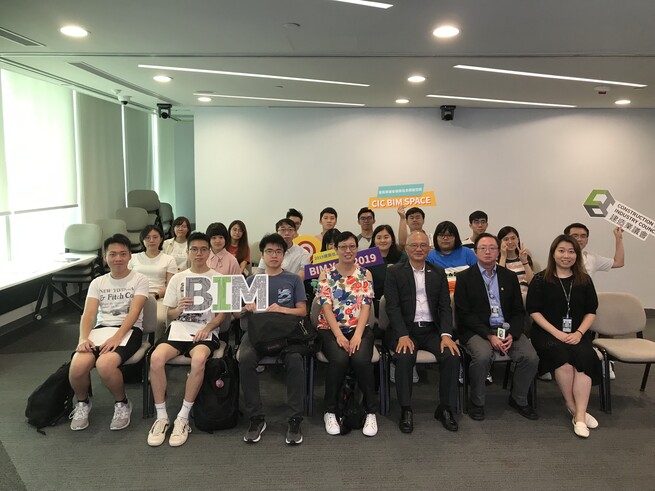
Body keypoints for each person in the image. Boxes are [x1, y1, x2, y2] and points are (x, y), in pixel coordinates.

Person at [147, 232, 227, 447]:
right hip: (178, 330)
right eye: (194, 249)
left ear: (209, 252)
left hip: (205, 331)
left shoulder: (218, 278)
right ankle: (161, 416)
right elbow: (168, 315)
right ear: (188, 252)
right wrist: (178, 309)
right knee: (155, 359)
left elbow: (222, 315)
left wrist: (209, 327)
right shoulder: (178, 278)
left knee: (199, 359)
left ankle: (183, 416)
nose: (199, 253)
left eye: (203, 249)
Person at [68, 234, 149, 431]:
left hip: (129, 331)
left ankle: (122, 403)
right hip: (101, 330)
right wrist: (83, 338)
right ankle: (82, 403)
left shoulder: (140, 279)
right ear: (105, 257)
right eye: (113, 254)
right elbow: (88, 314)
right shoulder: (98, 282)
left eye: (123, 254)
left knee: (105, 365)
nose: (118, 258)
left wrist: (117, 337)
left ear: (130, 255)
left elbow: (134, 313)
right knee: (77, 366)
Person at [454, 233, 539, 421]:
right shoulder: (465, 278)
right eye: (482, 248)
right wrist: (489, 336)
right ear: (475, 252)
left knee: (531, 358)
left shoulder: (509, 277)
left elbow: (518, 310)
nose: (487, 252)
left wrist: (513, 334)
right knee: (483, 356)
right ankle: (477, 402)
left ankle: (519, 398)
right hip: (478, 330)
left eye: (492, 248)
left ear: (498, 250)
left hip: (506, 329)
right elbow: (464, 314)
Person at [384, 230, 461, 433]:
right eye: (414, 245)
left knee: (452, 355)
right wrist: (402, 335)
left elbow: (445, 306)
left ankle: (445, 408)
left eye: (423, 245)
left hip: (431, 330)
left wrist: (446, 335)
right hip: (404, 330)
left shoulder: (437, 272)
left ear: (429, 248)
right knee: (404, 356)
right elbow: (392, 307)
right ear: (406, 248)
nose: (419, 249)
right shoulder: (394, 272)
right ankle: (406, 408)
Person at [527, 234, 601, 438]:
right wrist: (557, 333)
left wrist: (578, 333)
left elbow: (591, 311)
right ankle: (573, 407)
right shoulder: (541, 279)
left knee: (585, 359)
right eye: (561, 250)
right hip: (547, 334)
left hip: (577, 334)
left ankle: (579, 416)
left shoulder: (584, 281)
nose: (566, 255)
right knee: (564, 361)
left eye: (571, 251)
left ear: (576, 255)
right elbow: (533, 310)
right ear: (553, 253)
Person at [239, 233, 308, 445]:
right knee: (245, 358)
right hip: (258, 333)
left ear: (284, 255)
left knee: (296, 360)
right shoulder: (251, 280)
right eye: (269, 251)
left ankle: (295, 418)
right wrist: (246, 308)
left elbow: (303, 312)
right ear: (262, 254)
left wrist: (283, 310)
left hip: (286, 333)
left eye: (278, 251)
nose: (274, 255)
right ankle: (256, 417)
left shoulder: (293, 279)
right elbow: (236, 315)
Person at [317, 231, 378, 437]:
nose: (348, 251)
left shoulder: (365, 274)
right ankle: (330, 410)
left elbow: (367, 307)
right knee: (340, 359)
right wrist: (339, 336)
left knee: (361, 360)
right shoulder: (326, 274)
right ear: (336, 250)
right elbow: (325, 308)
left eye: (352, 246)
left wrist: (358, 335)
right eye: (343, 247)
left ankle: (371, 412)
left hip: (358, 328)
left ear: (356, 249)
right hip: (330, 329)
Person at [565, 222, 624, 380]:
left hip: (585, 305)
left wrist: (618, 239)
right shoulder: (560, 256)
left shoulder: (591, 258)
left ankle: (606, 362)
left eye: (583, 236)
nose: (580, 239)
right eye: (575, 235)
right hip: (563, 304)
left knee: (605, 320)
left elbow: (618, 262)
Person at [129, 224, 177, 339]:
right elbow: (128, 281)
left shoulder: (168, 259)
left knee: (159, 319)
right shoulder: (133, 258)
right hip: (135, 296)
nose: (151, 240)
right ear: (142, 240)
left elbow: (171, 284)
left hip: (158, 297)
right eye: (147, 237)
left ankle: (156, 345)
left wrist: (158, 294)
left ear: (161, 239)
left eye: (155, 237)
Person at [427, 221, 477, 293]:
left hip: (466, 294)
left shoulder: (467, 253)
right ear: (436, 238)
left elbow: (477, 276)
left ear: (456, 237)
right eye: (441, 235)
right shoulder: (430, 256)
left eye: (449, 235)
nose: (445, 238)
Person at [367, 224, 406, 311]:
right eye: (379, 238)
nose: (383, 240)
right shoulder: (367, 258)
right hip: (374, 303)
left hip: (399, 302)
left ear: (392, 240)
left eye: (386, 237)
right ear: (374, 240)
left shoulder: (402, 257)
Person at [497, 226, 535, 293]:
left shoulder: (526, 257)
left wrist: (524, 261)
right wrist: (503, 256)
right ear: (500, 242)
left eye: (513, 238)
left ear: (518, 239)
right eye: (506, 239)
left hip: (527, 295)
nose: (510, 242)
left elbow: (532, 283)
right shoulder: (497, 261)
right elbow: (500, 282)